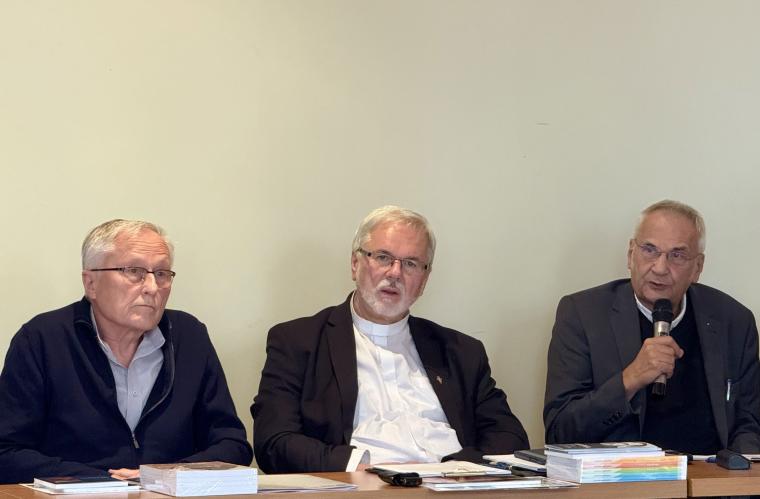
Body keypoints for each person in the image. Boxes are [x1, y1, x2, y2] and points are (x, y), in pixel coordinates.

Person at [252, 205, 528, 473]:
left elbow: (510, 437)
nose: (395, 273)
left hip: (450, 486)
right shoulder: (299, 342)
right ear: (355, 264)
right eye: (383, 257)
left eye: (410, 263)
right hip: (358, 487)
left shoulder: (461, 352)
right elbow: (274, 441)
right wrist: (358, 467)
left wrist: (454, 468)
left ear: (424, 279)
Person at [0, 220, 252, 484]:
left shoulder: (189, 336)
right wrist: (105, 481)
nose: (152, 287)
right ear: (91, 283)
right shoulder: (43, 339)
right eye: (134, 271)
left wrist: (167, 474)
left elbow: (232, 444)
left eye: (162, 273)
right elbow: (6, 452)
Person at [544, 200, 760, 454]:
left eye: (677, 256)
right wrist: (629, 380)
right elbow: (559, 431)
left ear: (698, 267)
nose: (660, 268)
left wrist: (737, 471)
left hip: (708, 473)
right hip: (621, 475)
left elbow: (749, 425)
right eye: (649, 250)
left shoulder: (733, 321)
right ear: (630, 255)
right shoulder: (583, 314)